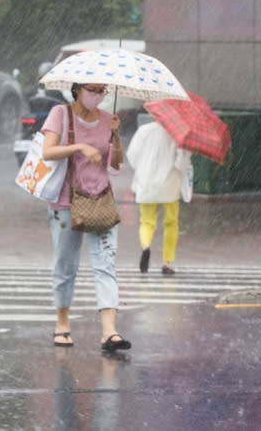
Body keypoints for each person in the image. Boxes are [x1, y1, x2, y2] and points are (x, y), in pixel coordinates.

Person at [41, 83, 130, 352]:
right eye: (93, 89)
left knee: (105, 264)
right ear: (78, 89)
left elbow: (115, 163)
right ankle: (62, 322)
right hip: (66, 202)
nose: (99, 95)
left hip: (100, 200)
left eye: (103, 91)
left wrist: (115, 134)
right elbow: (48, 152)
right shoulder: (61, 113)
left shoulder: (107, 119)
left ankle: (109, 332)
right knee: (66, 265)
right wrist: (79, 146)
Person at [127, 119, 193, 275]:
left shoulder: (144, 130)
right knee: (171, 223)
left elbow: (132, 155)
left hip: (147, 183)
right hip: (170, 184)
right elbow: (181, 163)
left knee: (147, 222)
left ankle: (146, 246)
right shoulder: (178, 134)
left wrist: (144, 169)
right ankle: (167, 262)